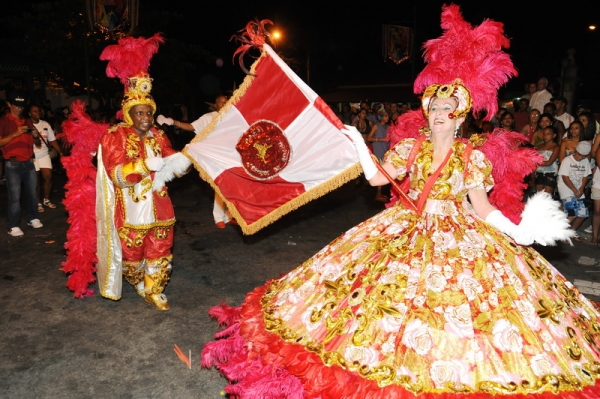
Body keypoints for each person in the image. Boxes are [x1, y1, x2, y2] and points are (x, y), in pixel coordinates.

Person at [202, 8, 600, 397]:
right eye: (434, 108)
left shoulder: (472, 157)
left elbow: (482, 208)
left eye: (448, 109)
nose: (439, 113)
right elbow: (377, 177)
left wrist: (519, 231)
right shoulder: (410, 148)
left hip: (460, 238)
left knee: (463, 314)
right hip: (403, 227)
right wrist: (359, 144)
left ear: (461, 117)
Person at [92, 33, 191, 310]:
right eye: (140, 113)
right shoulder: (115, 137)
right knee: (132, 254)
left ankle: (154, 288)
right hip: (131, 210)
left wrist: (183, 162)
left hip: (160, 205)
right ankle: (137, 281)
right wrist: (145, 165)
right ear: (129, 114)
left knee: (161, 246)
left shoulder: (159, 135)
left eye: (149, 113)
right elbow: (117, 176)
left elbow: (172, 161)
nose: (146, 118)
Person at [156, 94, 236, 229]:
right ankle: (219, 217)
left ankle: (228, 216)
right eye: (220, 102)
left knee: (231, 186)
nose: (223, 104)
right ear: (215, 105)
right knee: (220, 184)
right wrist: (173, 122)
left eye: (225, 101)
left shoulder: (233, 118)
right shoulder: (209, 117)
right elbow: (191, 127)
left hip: (230, 156)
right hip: (213, 157)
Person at [0, 90, 43, 236]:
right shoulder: (3, 121)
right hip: (12, 163)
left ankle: (33, 217)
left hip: (29, 161)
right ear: (9, 104)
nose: (19, 109)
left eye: (21, 106)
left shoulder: (27, 121)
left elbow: (37, 143)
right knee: (15, 195)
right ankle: (13, 225)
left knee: (32, 193)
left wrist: (36, 136)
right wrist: (15, 134)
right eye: (16, 105)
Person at [29, 104, 63, 212]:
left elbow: (52, 140)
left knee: (48, 177)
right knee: (36, 180)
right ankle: (37, 202)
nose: (37, 112)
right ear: (30, 113)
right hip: (33, 156)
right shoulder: (27, 125)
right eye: (34, 111)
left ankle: (46, 200)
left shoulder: (45, 124)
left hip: (44, 154)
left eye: (38, 110)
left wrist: (60, 151)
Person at [557, 140, 592, 238]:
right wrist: (575, 190)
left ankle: (570, 232)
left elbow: (585, 176)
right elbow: (565, 177)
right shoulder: (567, 160)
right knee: (571, 213)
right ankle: (560, 233)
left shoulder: (585, 161)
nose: (581, 158)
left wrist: (581, 189)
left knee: (583, 214)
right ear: (576, 150)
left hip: (578, 189)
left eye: (584, 156)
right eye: (580, 155)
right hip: (566, 188)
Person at [366, 109, 390, 202]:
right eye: (385, 116)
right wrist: (380, 139)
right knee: (381, 173)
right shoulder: (376, 126)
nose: (387, 117)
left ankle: (379, 193)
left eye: (387, 115)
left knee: (384, 173)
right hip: (378, 151)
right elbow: (369, 137)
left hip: (385, 151)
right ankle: (378, 194)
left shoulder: (388, 127)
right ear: (381, 117)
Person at [533, 125, 560, 194]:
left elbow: (549, 162)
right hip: (539, 173)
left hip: (550, 173)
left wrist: (537, 162)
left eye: (548, 134)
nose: (545, 136)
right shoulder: (539, 147)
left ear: (554, 135)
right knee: (539, 196)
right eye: (544, 134)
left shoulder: (556, 147)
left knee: (547, 196)